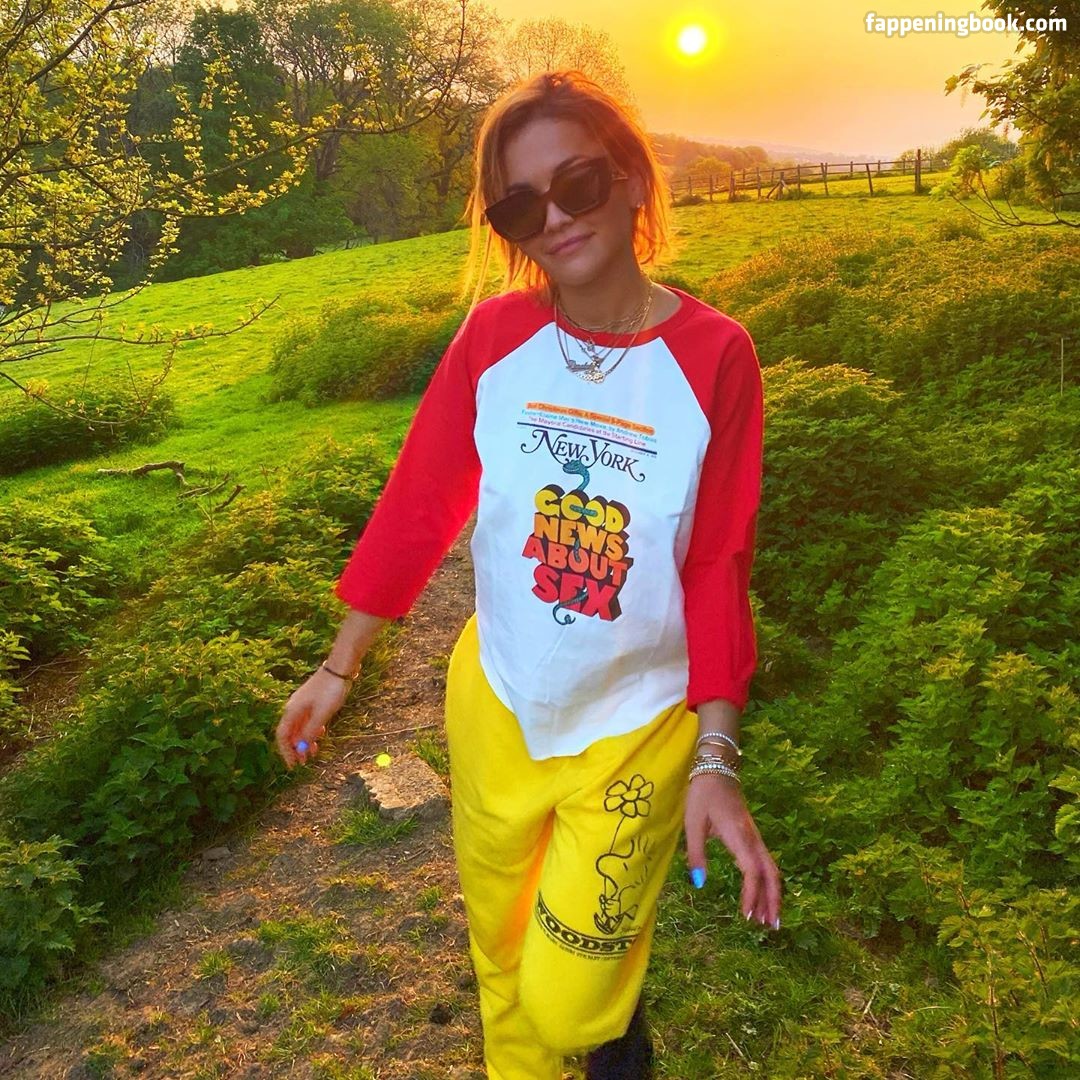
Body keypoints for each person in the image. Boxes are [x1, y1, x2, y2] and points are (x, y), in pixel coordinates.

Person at [276, 69, 782, 1080]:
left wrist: (717, 758)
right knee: (502, 966)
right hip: (497, 710)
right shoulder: (495, 338)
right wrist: (340, 666)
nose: (552, 219)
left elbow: (718, 561)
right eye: (519, 206)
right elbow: (420, 503)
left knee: (569, 997)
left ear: (632, 179)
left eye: (577, 183)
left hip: (635, 731)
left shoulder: (715, 357)